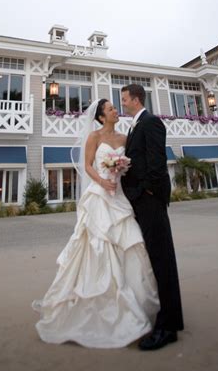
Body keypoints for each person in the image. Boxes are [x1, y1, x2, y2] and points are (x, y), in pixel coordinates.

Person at [32, 98, 159, 348]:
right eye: (111, 108)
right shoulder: (94, 137)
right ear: (102, 116)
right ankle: (97, 307)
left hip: (120, 198)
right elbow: (87, 165)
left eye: (114, 106)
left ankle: (137, 308)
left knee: (134, 244)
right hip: (100, 196)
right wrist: (103, 182)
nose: (115, 110)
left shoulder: (125, 138)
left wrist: (121, 170)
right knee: (97, 245)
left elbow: (132, 167)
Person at [121, 83, 184, 350]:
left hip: (150, 201)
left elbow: (157, 164)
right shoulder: (135, 126)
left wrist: (144, 191)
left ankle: (168, 327)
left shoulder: (151, 122)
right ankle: (167, 319)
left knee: (162, 260)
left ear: (136, 99)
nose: (122, 103)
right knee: (156, 259)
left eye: (124, 99)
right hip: (140, 200)